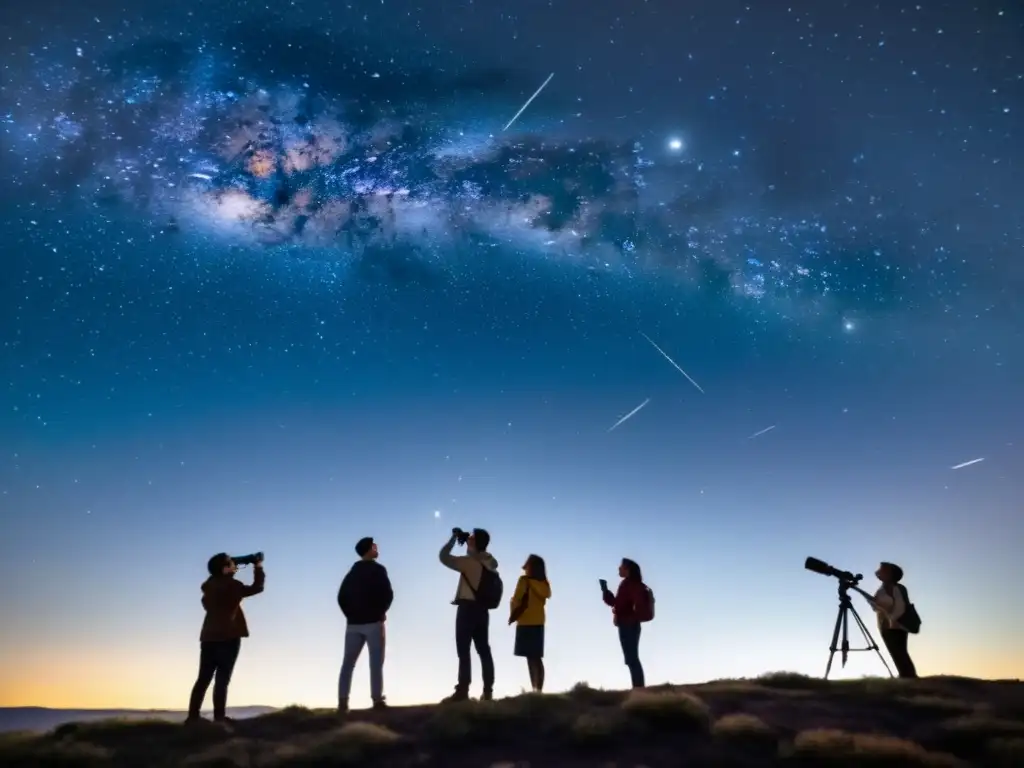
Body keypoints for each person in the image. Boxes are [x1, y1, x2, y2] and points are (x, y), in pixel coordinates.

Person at [186, 553, 265, 725]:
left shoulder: (209, 585)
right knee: (222, 679)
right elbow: (258, 587)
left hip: (209, 637)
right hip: (229, 636)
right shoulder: (233, 586)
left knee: (203, 678)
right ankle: (219, 718)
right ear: (224, 569)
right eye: (231, 563)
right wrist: (257, 566)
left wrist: (232, 564)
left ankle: (192, 717)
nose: (234, 564)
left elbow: (216, 574)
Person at [439, 528, 499, 702]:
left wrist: (453, 539)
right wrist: (469, 542)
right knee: (484, 650)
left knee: (463, 651)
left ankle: (462, 691)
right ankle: (488, 691)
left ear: (475, 543)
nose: (468, 540)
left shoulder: (468, 562)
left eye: (471, 538)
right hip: (482, 610)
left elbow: (443, 557)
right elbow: (478, 554)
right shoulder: (489, 562)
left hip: (467, 609)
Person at [336, 536, 394, 713]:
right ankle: (377, 700)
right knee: (376, 663)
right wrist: (381, 612)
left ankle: (343, 703)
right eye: (374, 546)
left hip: (353, 624)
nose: (377, 548)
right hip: (373, 623)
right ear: (368, 550)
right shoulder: (378, 570)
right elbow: (388, 594)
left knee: (348, 663)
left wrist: (350, 615)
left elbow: (341, 597)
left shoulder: (351, 574)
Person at [600, 558, 650, 689]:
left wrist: (606, 593)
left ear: (627, 569)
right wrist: (605, 591)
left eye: (621, 566)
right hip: (630, 624)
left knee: (632, 659)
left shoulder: (629, 585)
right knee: (632, 659)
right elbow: (619, 603)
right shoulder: (631, 584)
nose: (618, 569)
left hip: (628, 625)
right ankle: (638, 688)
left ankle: (639, 689)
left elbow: (619, 604)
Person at [509, 554, 551, 692]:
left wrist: (512, 610)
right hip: (538, 621)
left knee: (530, 659)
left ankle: (535, 689)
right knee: (536, 658)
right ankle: (538, 689)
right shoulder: (544, 583)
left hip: (524, 621)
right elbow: (546, 595)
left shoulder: (524, 580)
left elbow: (517, 599)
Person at [872, 561, 918, 678]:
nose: (879, 572)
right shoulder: (881, 589)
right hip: (885, 625)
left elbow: (900, 606)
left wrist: (892, 620)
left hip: (896, 625)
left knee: (900, 652)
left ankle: (908, 676)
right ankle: (905, 675)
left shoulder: (898, 588)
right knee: (895, 651)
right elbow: (876, 607)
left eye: (883, 570)